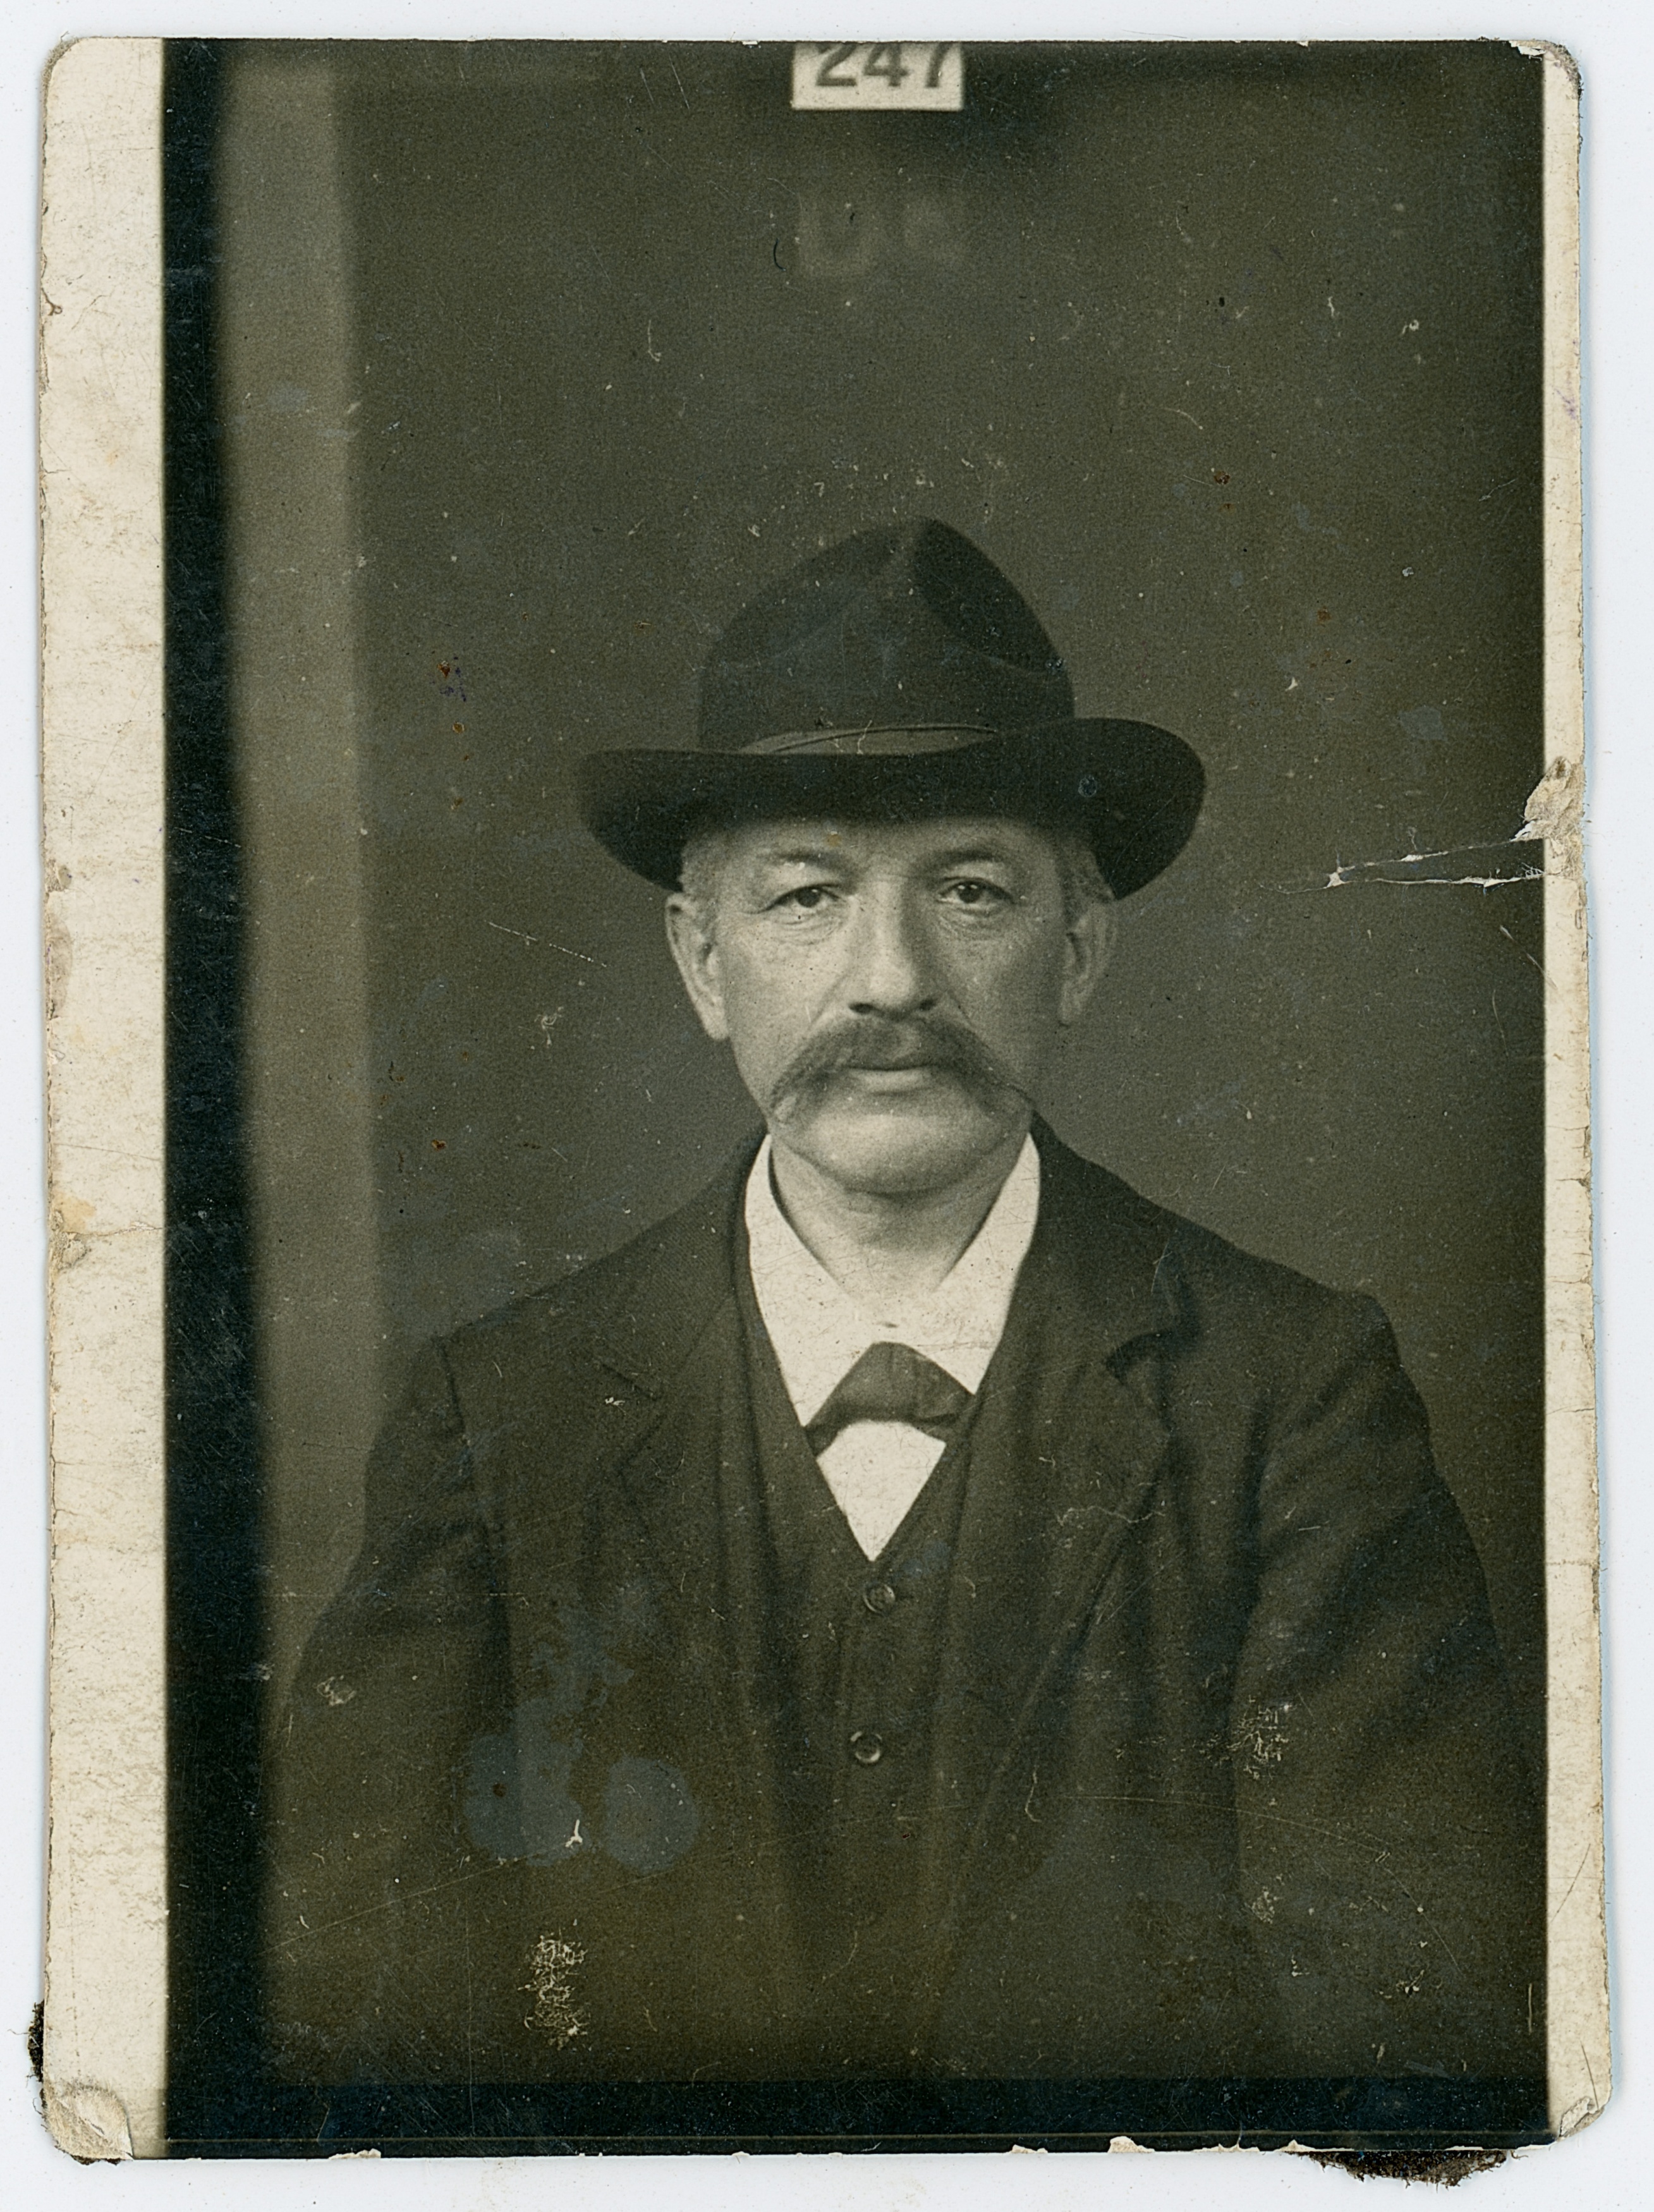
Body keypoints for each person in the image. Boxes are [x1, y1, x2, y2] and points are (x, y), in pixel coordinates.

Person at [266, 520, 1541, 2089]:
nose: (890, 979)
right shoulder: (502, 1415)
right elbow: (354, 2033)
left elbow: (1405, 2058)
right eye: (807, 896)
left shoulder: (1291, 1399)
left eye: (972, 891)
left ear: (1079, 949)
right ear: (702, 961)